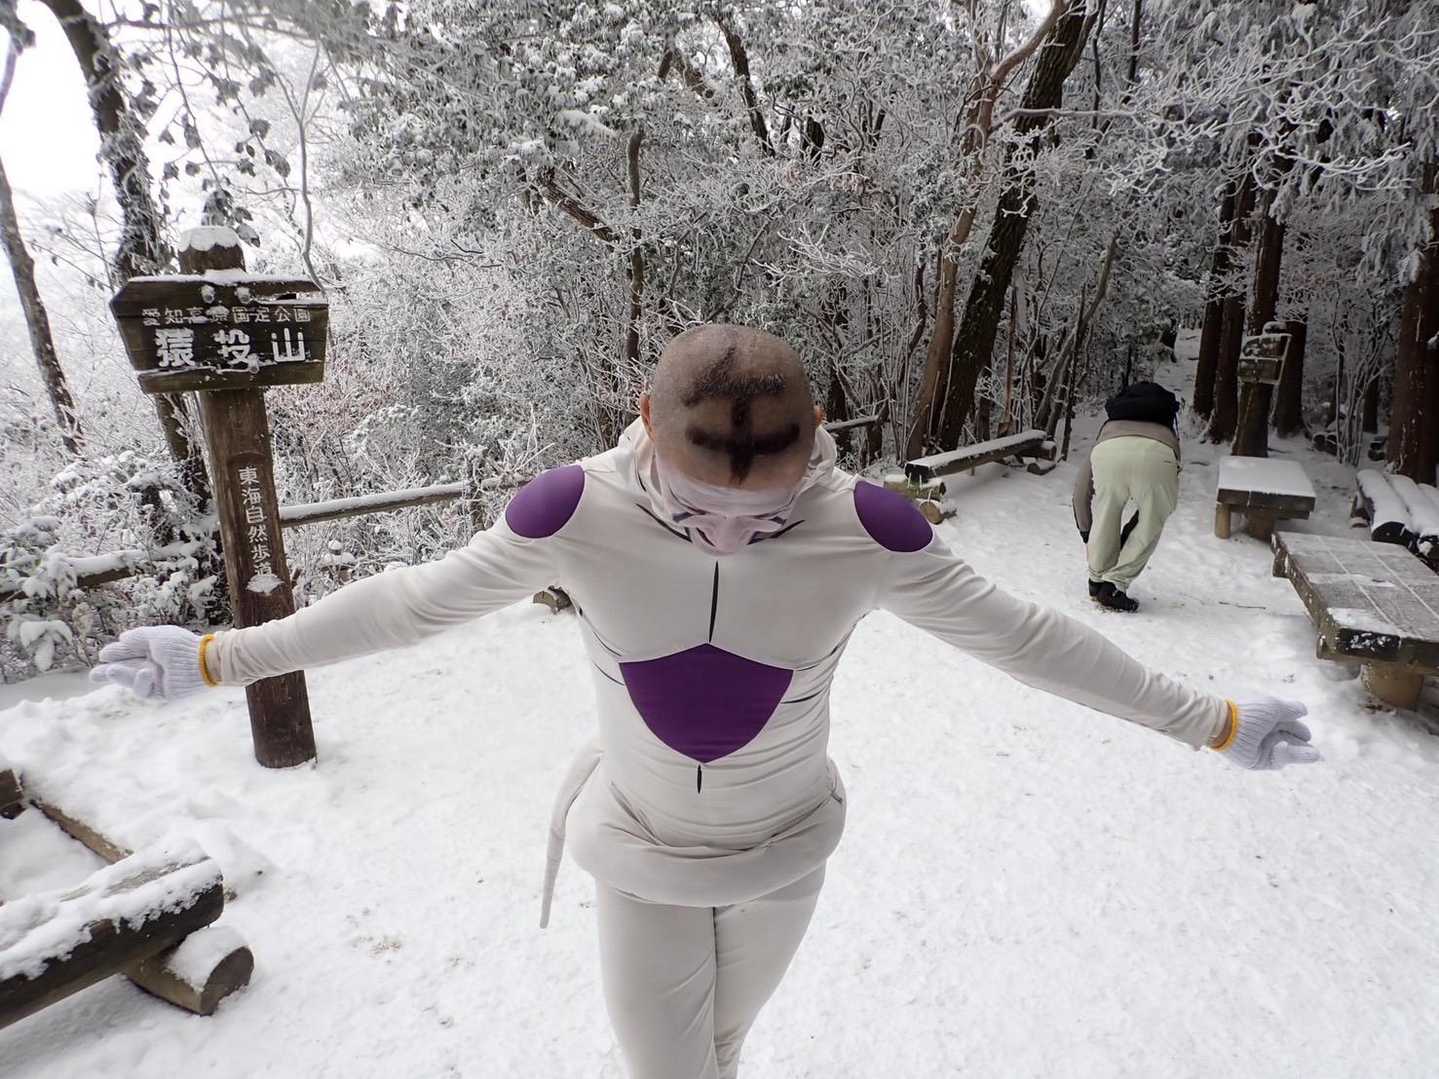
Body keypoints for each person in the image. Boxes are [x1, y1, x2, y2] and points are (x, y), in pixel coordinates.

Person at [92, 326, 1318, 1079]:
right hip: (640, 848)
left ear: (816, 435)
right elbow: (410, 602)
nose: (728, 532)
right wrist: (217, 655)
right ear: (644, 424)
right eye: (695, 506)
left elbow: (1030, 638)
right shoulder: (573, 510)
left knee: (718, 1049)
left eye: (761, 508)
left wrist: (1206, 718)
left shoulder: (867, 530)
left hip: (785, 854)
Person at [1073, 380, 1184, 613]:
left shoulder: (1109, 429)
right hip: (1159, 455)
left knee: (1106, 512)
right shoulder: (1166, 428)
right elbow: (1155, 508)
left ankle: (1096, 580)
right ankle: (1114, 584)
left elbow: (1081, 492)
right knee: (1150, 521)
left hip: (1108, 453)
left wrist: (1086, 531)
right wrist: (1134, 528)